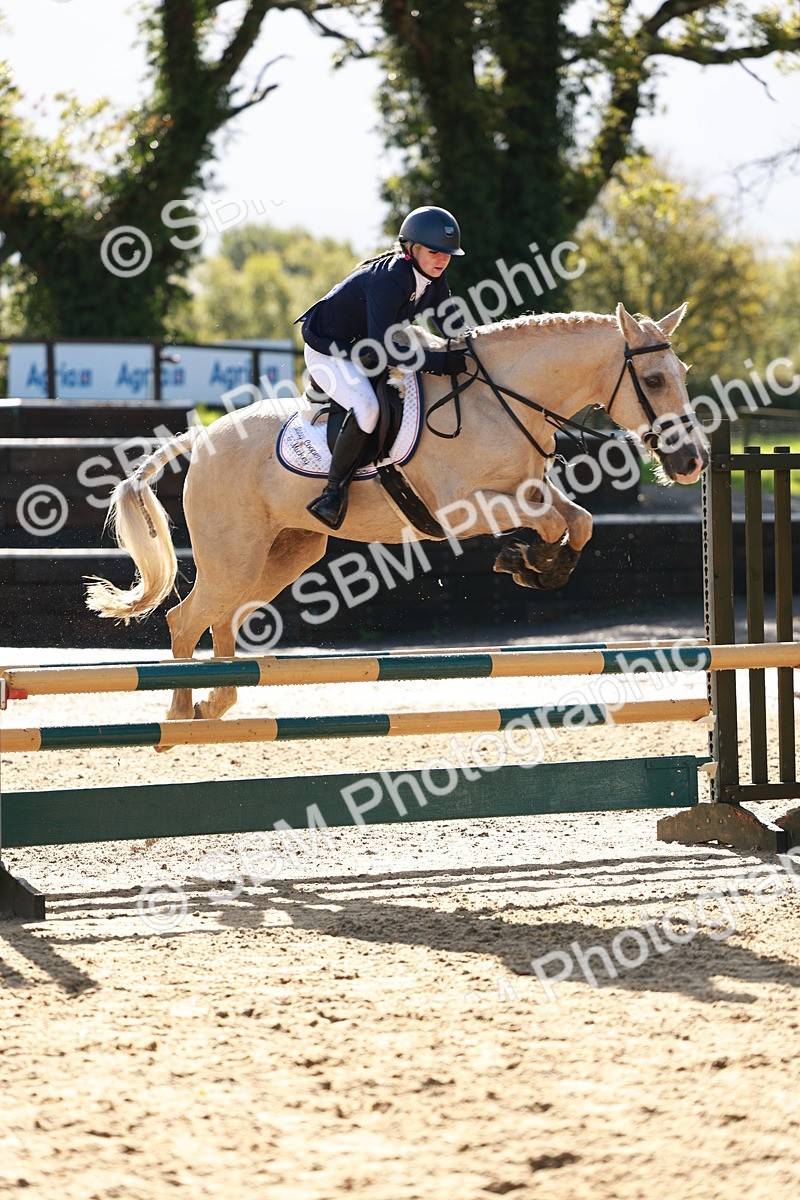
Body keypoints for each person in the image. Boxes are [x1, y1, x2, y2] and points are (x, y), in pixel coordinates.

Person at [296, 205, 471, 529]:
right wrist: (438, 362)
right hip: (331, 353)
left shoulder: (434, 276)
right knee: (367, 408)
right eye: (434, 251)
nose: (441, 259)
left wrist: (476, 348)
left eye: (446, 254)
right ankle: (332, 494)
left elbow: (451, 324)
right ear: (411, 249)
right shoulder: (390, 280)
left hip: (366, 350)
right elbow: (383, 349)